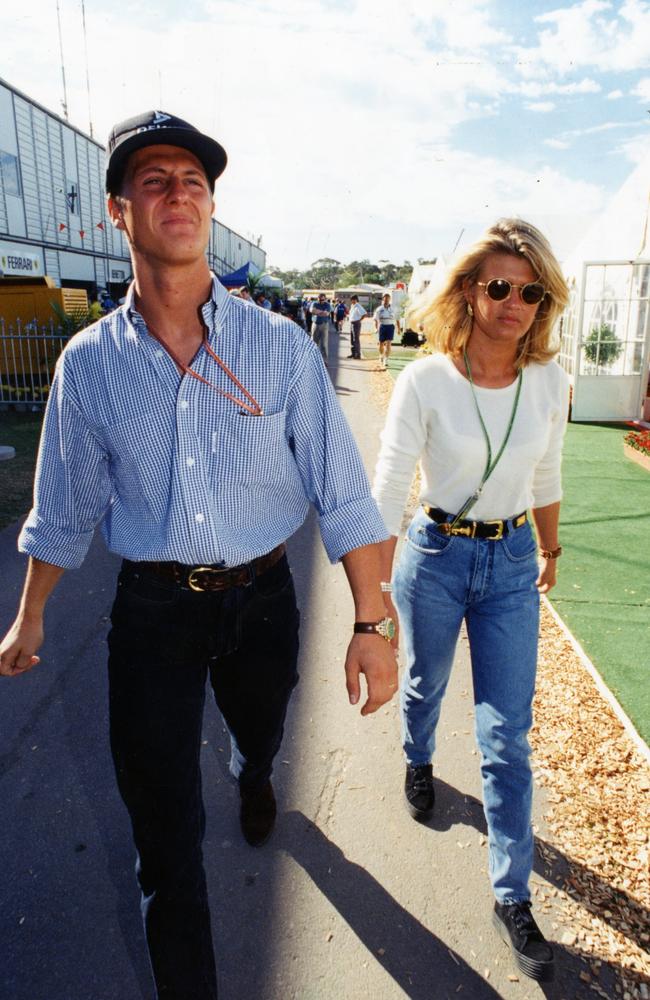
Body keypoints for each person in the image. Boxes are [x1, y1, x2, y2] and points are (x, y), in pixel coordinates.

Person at [0, 110, 398, 1000]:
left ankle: (254, 768)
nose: (178, 192)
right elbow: (61, 507)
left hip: (263, 600)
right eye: (154, 180)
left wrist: (372, 620)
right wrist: (28, 616)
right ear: (117, 212)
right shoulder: (87, 366)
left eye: (194, 180)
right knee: (162, 834)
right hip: (152, 615)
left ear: (211, 206)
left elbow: (341, 492)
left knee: (262, 726)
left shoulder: (281, 348)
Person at [372, 218, 570, 984]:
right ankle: (416, 756)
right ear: (467, 291)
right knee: (424, 686)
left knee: (506, 734)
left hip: (513, 561)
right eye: (499, 286)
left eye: (530, 290)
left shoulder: (551, 381)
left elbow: (547, 475)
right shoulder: (427, 381)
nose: (514, 301)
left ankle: (511, 894)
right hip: (435, 555)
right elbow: (390, 484)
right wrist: (374, 589)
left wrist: (550, 549)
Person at [373, 292, 400, 369]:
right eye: (385, 298)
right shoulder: (379, 309)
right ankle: (381, 355)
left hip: (390, 326)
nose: (386, 300)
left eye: (388, 298)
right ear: (383, 299)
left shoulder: (393, 309)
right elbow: (375, 319)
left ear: (389, 299)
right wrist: (376, 328)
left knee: (388, 343)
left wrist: (398, 329)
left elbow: (397, 319)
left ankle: (386, 360)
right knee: (381, 343)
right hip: (382, 326)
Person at [310, 292, 331, 361]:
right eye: (319, 299)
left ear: (325, 299)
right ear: (317, 298)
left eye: (322, 300)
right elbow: (312, 310)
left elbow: (326, 314)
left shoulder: (327, 305)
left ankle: (325, 360)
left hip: (324, 325)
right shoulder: (314, 303)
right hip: (315, 324)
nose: (321, 301)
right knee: (314, 342)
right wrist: (321, 312)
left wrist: (317, 312)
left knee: (324, 344)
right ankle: (313, 359)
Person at [347, 294, 366, 359]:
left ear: (356, 300)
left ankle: (358, 354)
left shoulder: (358, 306)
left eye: (354, 299)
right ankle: (353, 353)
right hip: (352, 323)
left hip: (356, 323)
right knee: (352, 339)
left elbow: (364, 314)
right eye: (352, 299)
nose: (353, 301)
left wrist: (359, 320)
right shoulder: (352, 306)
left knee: (356, 339)